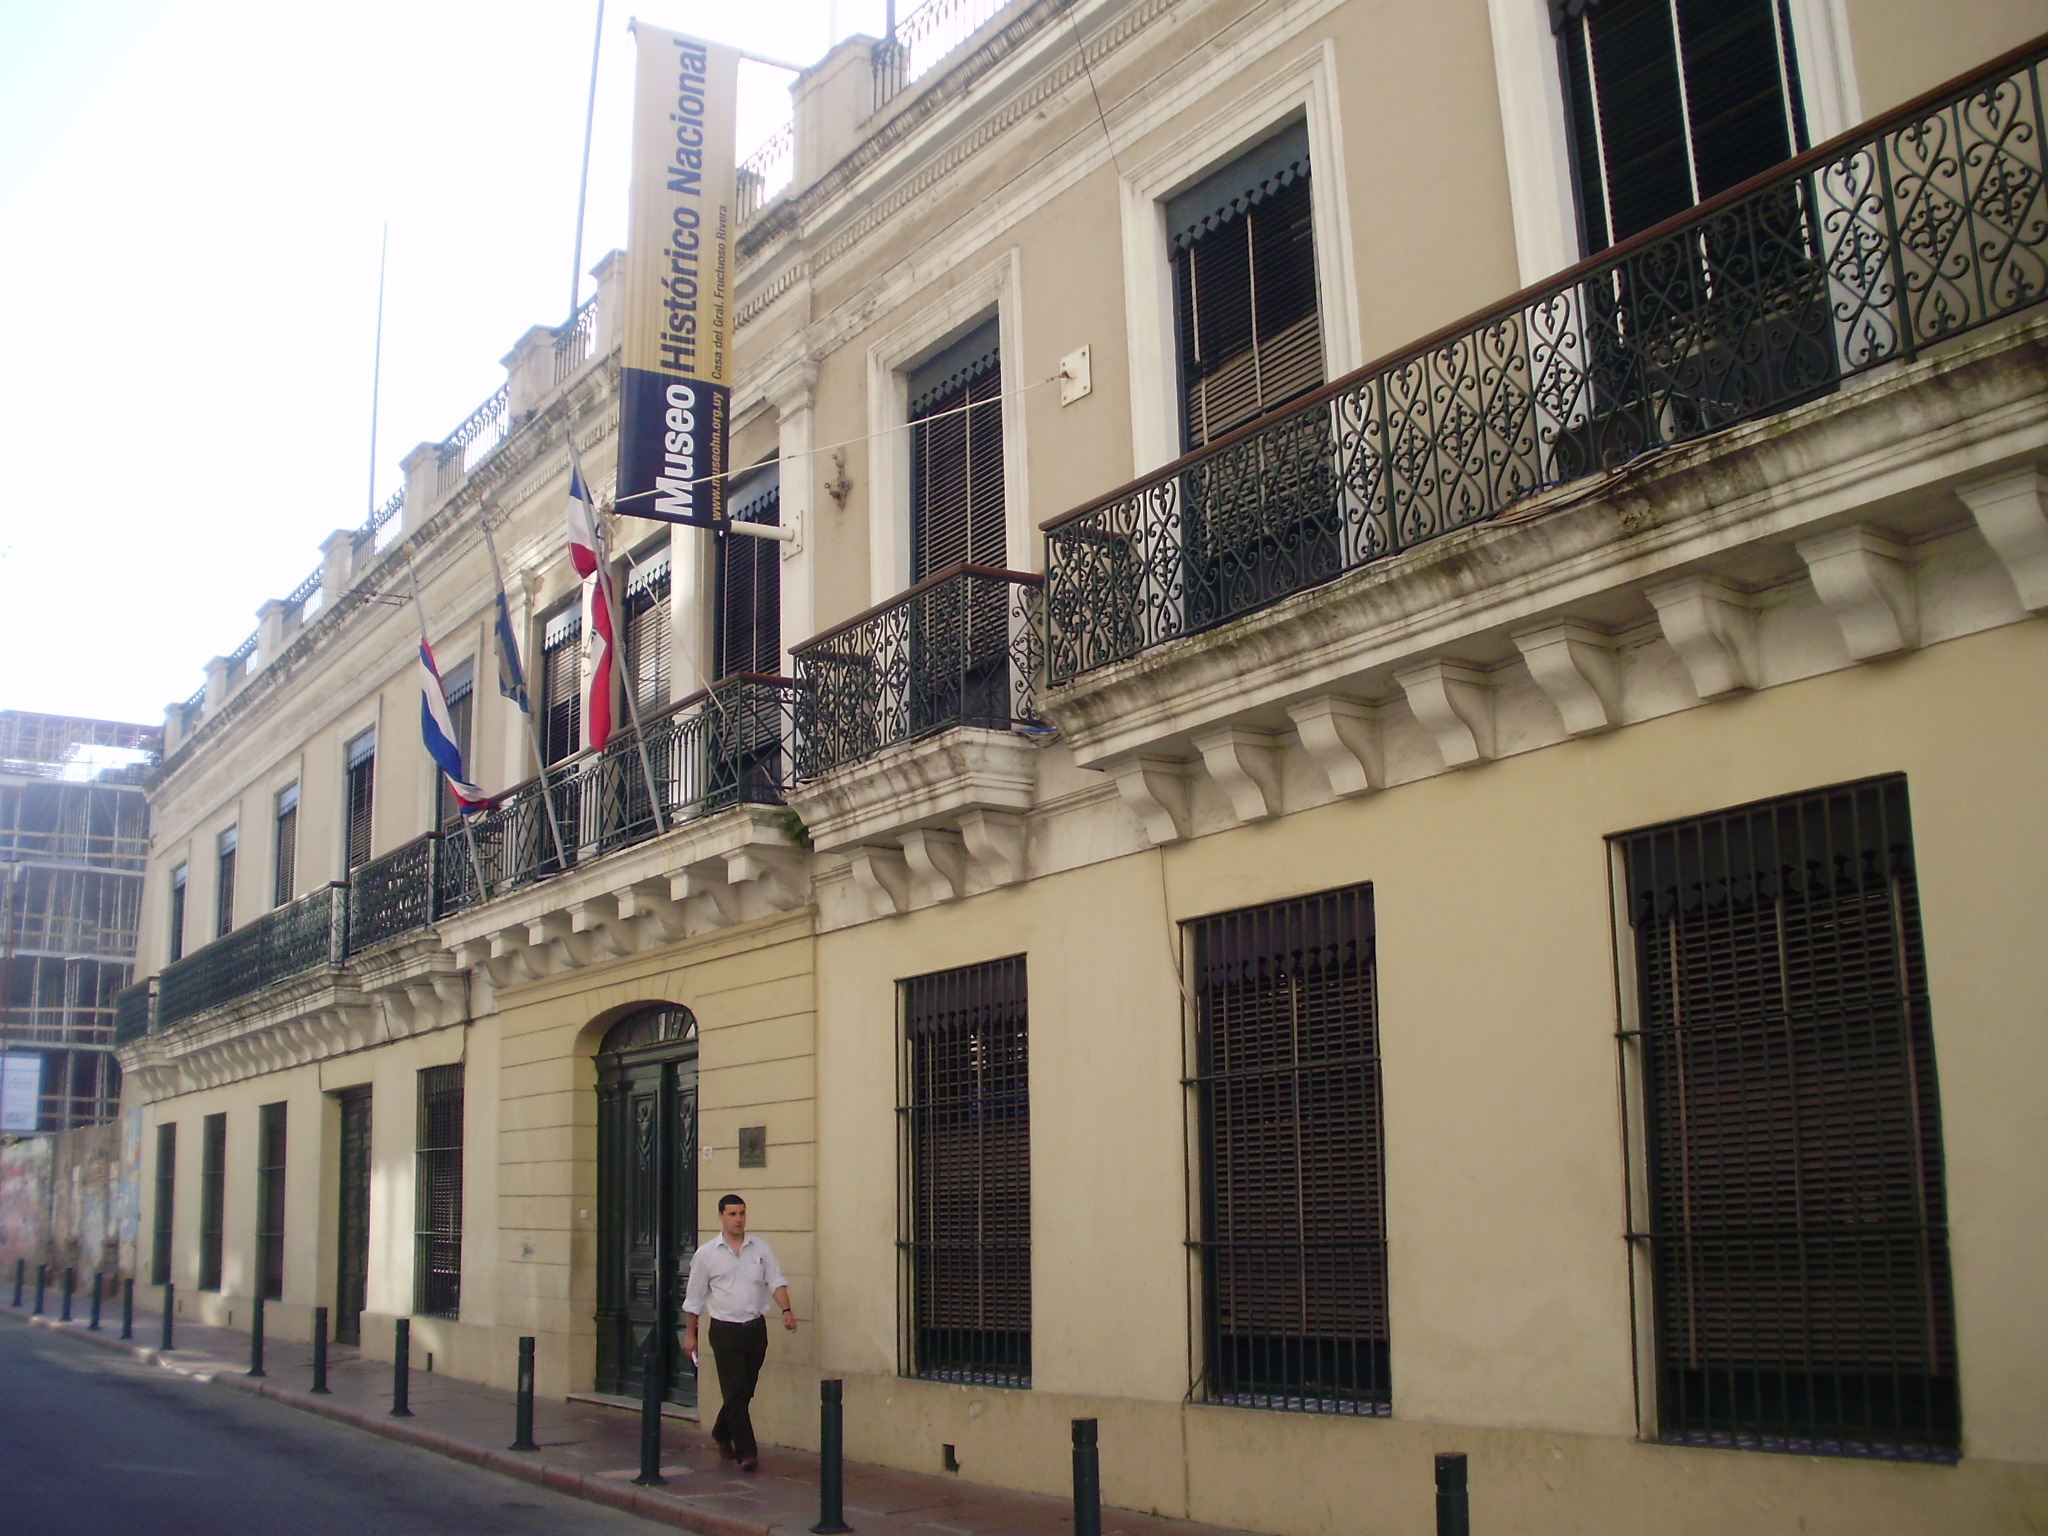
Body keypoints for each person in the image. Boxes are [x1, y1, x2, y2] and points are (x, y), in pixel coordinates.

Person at [682, 1193, 796, 1472]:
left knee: (744, 1390)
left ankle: (722, 1431)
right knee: (734, 1390)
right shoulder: (707, 1254)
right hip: (724, 1330)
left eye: (742, 1214)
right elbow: (694, 1299)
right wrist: (691, 1335)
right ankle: (747, 1451)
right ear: (721, 1216)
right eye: (732, 1214)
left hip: (754, 1329)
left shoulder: (760, 1249)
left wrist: (786, 1310)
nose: (738, 1220)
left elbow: (775, 1281)